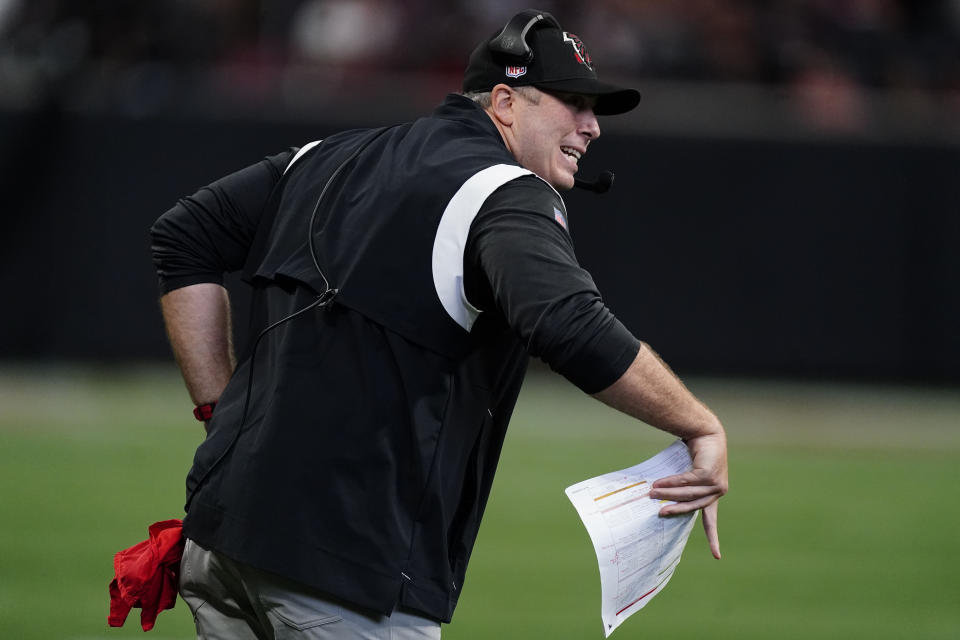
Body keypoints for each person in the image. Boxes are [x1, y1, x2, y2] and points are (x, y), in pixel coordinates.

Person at [150, 9, 728, 639]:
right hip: (343, 572)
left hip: (224, 538)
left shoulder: (331, 155)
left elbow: (184, 235)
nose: (592, 127)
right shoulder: (505, 190)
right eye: (573, 102)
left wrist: (218, 409)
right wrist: (697, 422)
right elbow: (568, 324)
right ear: (504, 102)